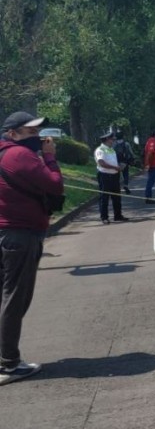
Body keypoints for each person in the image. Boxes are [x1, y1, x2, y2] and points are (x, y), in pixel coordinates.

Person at [0, 112, 64, 385]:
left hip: (6, 230)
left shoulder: (4, 154)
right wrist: (49, 157)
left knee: (5, 297)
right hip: (21, 234)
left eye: (38, 132)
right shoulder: (19, 156)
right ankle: (9, 364)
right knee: (15, 299)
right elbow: (54, 184)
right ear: (12, 133)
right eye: (30, 132)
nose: (37, 137)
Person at [94, 131, 128, 224]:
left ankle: (118, 215)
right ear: (107, 140)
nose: (113, 140)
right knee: (104, 197)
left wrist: (119, 167)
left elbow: (113, 161)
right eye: (112, 139)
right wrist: (115, 167)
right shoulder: (100, 150)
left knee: (116, 197)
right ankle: (104, 217)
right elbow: (101, 163)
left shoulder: (111, 149)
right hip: (104, 176)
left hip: (114, 175)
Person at [113, 130, 135, 195]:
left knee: (117, 175)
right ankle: (126, 185)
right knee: (126, 174)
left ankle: (117, 188)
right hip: (124, 162)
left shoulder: (114, 144)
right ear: (122, 136)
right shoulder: (126, 144)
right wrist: (133, 158)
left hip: (116, 162)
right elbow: (131, 152)